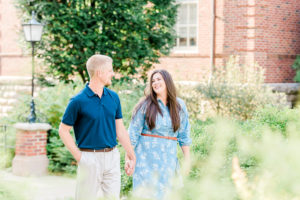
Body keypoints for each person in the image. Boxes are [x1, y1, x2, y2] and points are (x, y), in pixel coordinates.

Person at [59, 54, 136, 200]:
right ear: (99, 73)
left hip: (112, 157)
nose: (112, 74)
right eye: (110, 70)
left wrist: (131, 154)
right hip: (89, 158)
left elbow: (120, 130)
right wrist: (80, 157)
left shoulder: (113, 97)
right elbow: (63, 130)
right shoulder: (77, 101)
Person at [128, 69, 192, 199]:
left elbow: (184, 135)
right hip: (145, 159)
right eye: (153, 81)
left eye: (158, 79)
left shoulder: (179, 105)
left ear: (167, 82)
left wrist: (187, 159)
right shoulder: (145, 105)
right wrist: (128, 159)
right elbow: (132, 133)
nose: (155, 83)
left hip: (168, 159)